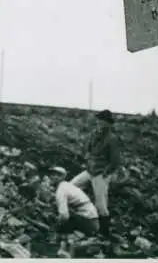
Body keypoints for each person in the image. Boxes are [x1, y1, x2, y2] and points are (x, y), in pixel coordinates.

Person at [71, 109, 120, 240]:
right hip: (90, 170)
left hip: (100, 173)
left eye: (102, 120)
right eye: (99, 120)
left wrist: (105, 173)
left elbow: (115, 161)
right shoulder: (94, 134)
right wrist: (87, 158)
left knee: (101, 205)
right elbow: (87, 148)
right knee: (72, 186)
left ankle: (104, 232)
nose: (100, 122)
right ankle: (81, 215)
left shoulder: (112, 139)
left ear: (109, 123)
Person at [48, 166, 100, 257]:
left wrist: (57, 225)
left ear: (62, 177)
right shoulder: (66, 185)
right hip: (91, 219)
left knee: (62, 220)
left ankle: (66, 247)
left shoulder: (61, 190)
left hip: (89, 222)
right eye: (52, 174)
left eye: (57, 175)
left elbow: (64, 215)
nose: (53, 177)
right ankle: (68, 244)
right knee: (65, 219)